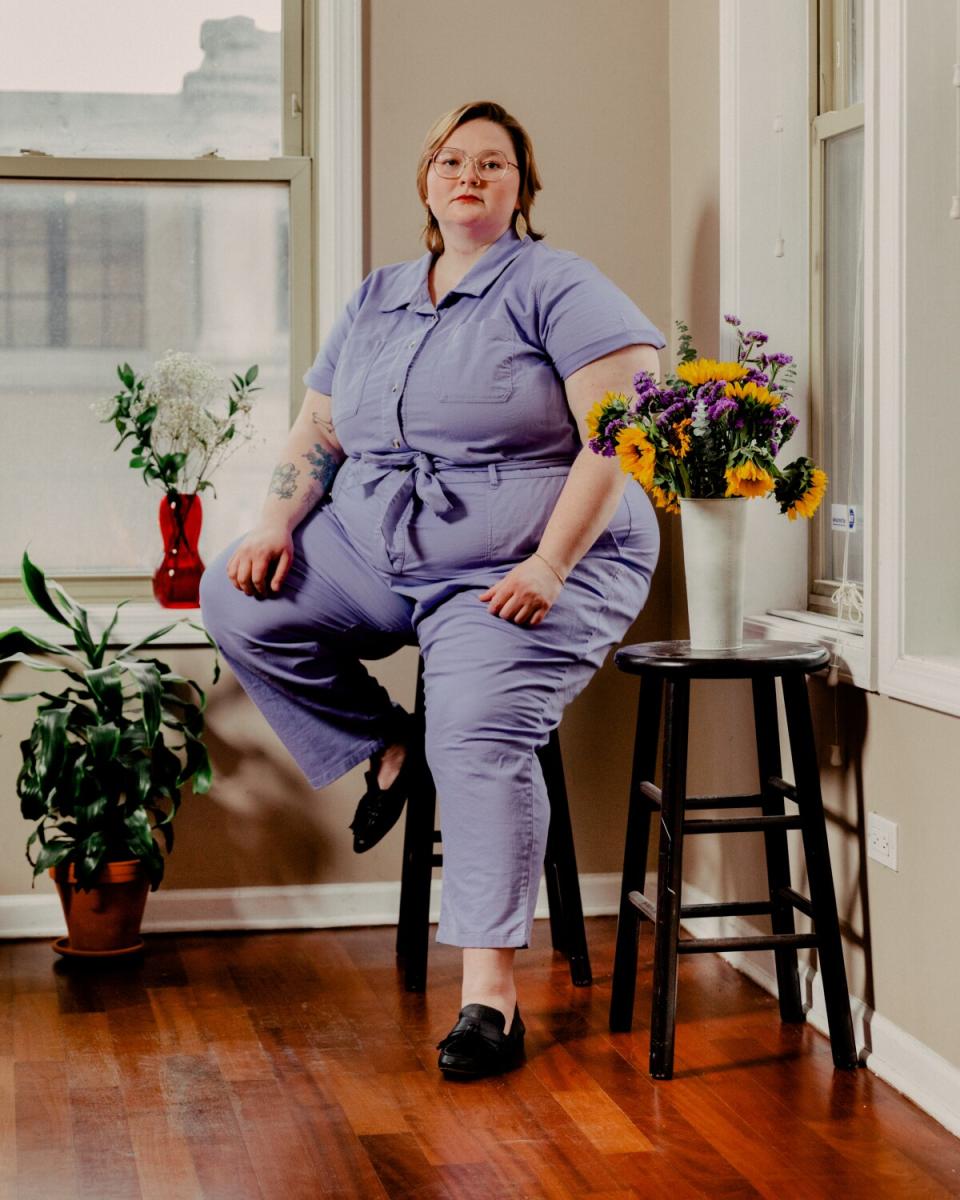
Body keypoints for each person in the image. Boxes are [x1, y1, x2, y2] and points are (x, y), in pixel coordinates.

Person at [199, 99, 665, 1080]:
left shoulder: (559, 285)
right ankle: (384, 745)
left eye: (493, 164)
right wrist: (274, 521)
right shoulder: (377, 298)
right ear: (426, 181)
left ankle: (489, 998)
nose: (470, 176)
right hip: (383, 543)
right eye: (453, 160)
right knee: (239, 597)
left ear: (521, 190)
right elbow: (318, 430)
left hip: (527, 555)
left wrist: (547, 565)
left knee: (478, 730)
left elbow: (617, 435)